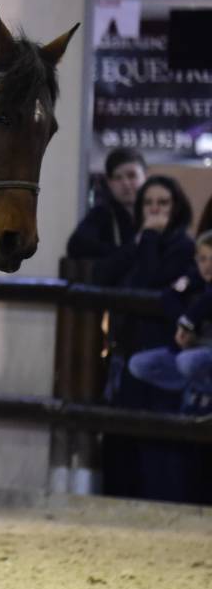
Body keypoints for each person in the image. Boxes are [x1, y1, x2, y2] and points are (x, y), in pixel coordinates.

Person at [98, 175, 196, 500]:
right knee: (123, 440)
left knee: (160, 442)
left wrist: (150, 238)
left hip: (160, 358)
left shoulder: (184, 248)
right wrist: (140, 242)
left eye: (163, 203)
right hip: (126, 354)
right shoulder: (136, 241)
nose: (155, 210)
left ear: (176, 207)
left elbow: (148, 284)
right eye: (148, 203)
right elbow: (103, 274)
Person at [128, 230, 212, 396]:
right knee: (138, 364)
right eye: (203, 259)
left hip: (202, 353)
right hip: (192, 348)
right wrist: (183, 323)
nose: (208, 265)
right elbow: (169, 295)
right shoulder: (195, 277)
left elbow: (208, 300)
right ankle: (195, 391)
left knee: (186, 362)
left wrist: (187, 323)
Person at [67, 147, 146, 260]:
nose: (126, 184)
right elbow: (76, 246)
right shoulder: (101, 214)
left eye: (131, 175)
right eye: (118, 178)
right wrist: (129, 250)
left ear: (144, 176)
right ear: (109, 183)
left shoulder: (158, 210)